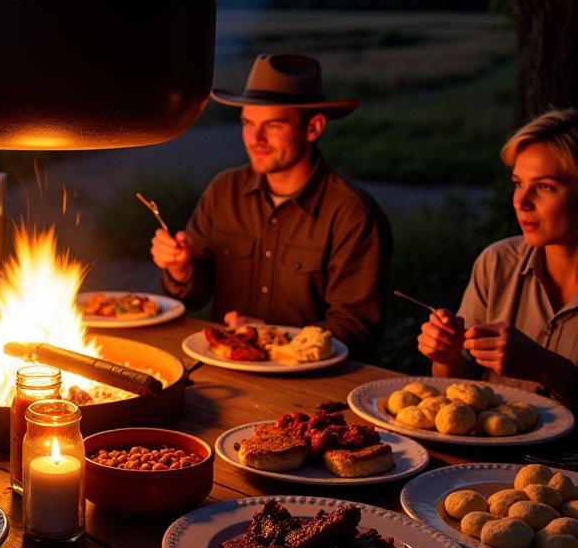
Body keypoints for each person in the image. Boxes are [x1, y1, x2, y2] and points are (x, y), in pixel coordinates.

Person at [151, 53, 392, 357]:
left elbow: (358, 329)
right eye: (248, 123)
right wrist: (181, 269)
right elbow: (195, 296)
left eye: (273, 125)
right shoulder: (224, 190)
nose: (255, 138)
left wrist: (273, 339)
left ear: (314, 128)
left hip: (310, 386)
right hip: (226, 366)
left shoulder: (353, 215)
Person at [417, 109, 578, 404]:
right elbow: (459, 386)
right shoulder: (497, 262)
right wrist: (446, 356)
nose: (521, 201)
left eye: (544, 186)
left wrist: (545, 367)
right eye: (518, 183)